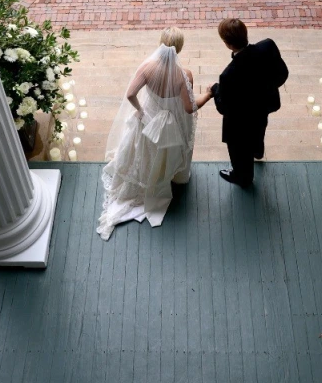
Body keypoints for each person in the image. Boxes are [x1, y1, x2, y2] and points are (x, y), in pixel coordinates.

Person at [97, 27, 212, 240]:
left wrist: (140, 111)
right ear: (179, 48)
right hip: (172, 124)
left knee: (144, 151)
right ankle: (172, 176)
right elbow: (189, 107)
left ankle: (146, 178)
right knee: (169, 152)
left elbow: (131, 93)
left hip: (148, 119)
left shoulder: (148, 67)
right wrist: (207, 95)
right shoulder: (184, 74)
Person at [210, 18, 288, 188]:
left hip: (240, 123)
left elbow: (223, 107)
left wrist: (215, 90)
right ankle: (258, 151)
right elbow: (283, 73)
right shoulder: (268, 46)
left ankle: (242, 177)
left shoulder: (227, 76)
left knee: (240, 151)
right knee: (260, 130)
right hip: (263, 108)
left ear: (228, 44)